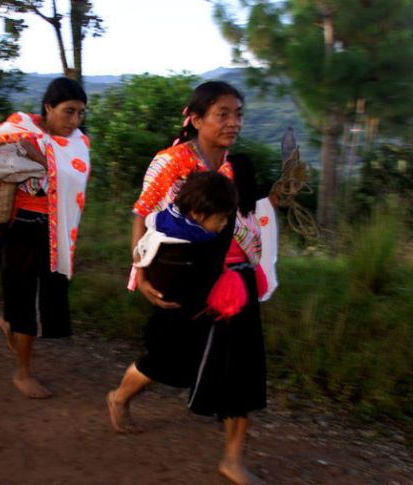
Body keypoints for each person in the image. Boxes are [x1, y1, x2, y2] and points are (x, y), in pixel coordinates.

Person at [107, 81, 268, 485]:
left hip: (236, 280)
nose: (234, 123)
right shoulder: (171, 163)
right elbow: (142, 215)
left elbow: (250, 216)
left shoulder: (237, 167)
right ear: (195, 119)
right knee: (168, 357)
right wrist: (141, 272)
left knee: (241, 367)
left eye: (238, 114)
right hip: (187, 280)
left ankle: (232, 458)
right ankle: (120, 396)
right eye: (223, 114)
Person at [0, 77, 91, 399]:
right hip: (19, 229)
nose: (75, 121)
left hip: (55, 231)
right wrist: (16, 148)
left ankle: (9, 321)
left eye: (80, 113)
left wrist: (40, 159)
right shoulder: (20, 128)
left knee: (48, 298)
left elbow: (74, 190)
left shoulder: (79, 144)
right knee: (25, 299)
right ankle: (22, 373)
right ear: (48, 107)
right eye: (68, 112)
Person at [133, 170, 238, 306]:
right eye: (221, 219)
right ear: (197, 214)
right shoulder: (196, 234)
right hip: (178, 296)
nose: (225, 223)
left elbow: (150, 219)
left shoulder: (170, 214)